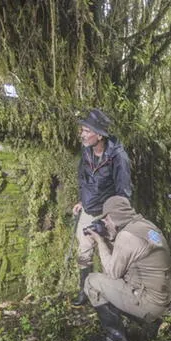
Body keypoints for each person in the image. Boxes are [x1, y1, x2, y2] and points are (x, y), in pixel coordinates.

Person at [84, 196, 171, 341]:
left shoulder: (127, 236)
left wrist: (100, 241)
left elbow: (112, 273)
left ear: (112, 217)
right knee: (109, 285)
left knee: (92, 282)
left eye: (105, 220)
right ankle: (150, 323)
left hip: (149, 302)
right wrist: (109, 237)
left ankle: (116, 340)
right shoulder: (144, 225)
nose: (105, 224)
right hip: (161, 298)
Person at [71, 108, 132, 307]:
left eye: (87, 131)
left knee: (112, 256)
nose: (83, 134)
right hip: (88, 211)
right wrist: (82, 201)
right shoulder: (86, 151)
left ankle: (114, 295)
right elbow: (83, 179)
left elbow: (123, 192)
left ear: (99, 134)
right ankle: (84, 291)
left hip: (108, 213)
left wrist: (114, 219)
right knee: (84, 252)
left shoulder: (118, 157)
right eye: (82, 130)